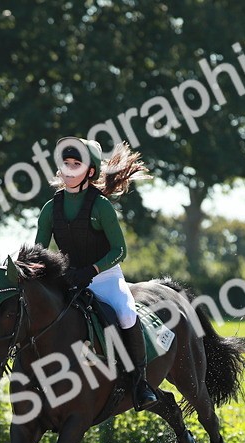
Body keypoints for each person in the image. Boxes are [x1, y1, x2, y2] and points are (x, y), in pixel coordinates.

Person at [35, 137, 157, 411]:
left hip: (105, 277)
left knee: (126, 314)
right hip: (69, 278)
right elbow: (39, 251)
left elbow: (120, 250)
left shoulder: (101, 206)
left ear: (90, 172)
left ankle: (140, 383)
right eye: (65, 164)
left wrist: (92, 270)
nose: (68, 169)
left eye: (75, 164)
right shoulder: (49, 208)